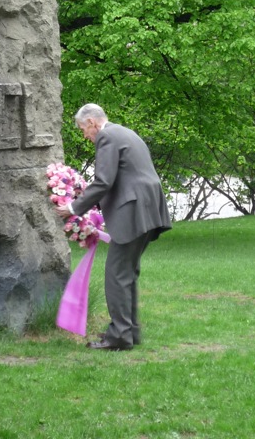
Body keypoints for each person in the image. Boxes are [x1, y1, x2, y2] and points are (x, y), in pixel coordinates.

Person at [55, 104, 171, 351]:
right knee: (127, 273)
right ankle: (129, 331)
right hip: (148, 210)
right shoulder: (125, 132)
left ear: (92, 123)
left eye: (83, 130)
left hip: (133, 211)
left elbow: (104, 181)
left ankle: (119, 337)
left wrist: (74, 208)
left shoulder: (107, 136)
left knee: (117, 275)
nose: (85, 136)